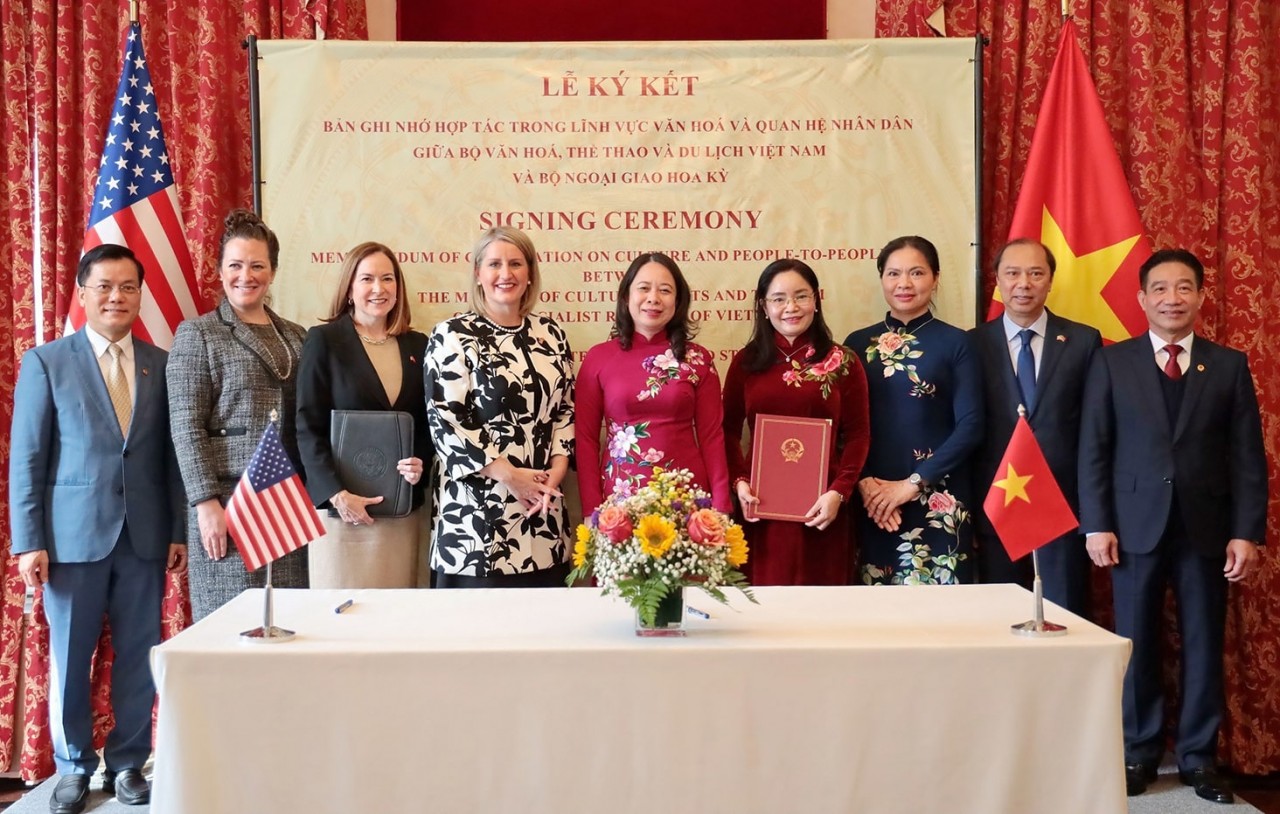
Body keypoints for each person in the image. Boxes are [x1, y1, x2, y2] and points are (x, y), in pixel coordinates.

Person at [1079, 248, 1266, 804]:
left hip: (1207, 529)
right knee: (1136, 641)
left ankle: (1198, 758)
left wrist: (1247, 530)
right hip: (1132, 528)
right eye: (1160, 289)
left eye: (1184, 288)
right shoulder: (1113, 362)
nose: (1172, 299)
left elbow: (1247, 457)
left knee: (1204, 642)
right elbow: (1095, 449)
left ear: (1201, 297)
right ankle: (1138, 752)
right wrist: (1097, 524)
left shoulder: (1228, 364)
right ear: (1141, 299)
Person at [10, 244, 186, 813]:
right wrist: (28, 540)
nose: (117, 297)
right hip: (69, 541)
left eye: (128, 287)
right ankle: (73, 768)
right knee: (70, 655)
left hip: (145, 536)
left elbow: (169, 458)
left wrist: (178, 530)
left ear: (140, 294)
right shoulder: (47, 363)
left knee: (140, 652)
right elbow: (28, 459)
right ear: (83, 294)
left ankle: (130, 764)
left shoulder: (160, 363)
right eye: (105, 286)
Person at [168, 209, 308, 620]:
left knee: (287, 626)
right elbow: (186, 425)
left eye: (257, 265)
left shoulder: (298, 336)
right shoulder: (198, 334)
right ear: (220, 270)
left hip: (286, 502)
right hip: (228, 505)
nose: (246, 275)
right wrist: (205, 503)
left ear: (273, 271)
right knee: (229, 630)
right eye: (235, 265)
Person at [424, 226, 574, 587]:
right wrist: (511, 477)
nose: (505, 274)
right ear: (478, 273)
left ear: (530, 273)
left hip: (542, 512)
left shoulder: (551, 335)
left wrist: (555, 473)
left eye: (515, 264)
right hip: (475, 525)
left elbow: (565, 410)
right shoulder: (452, 334)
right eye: (494, 264)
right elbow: (447, 422)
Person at [971, 238, 1101, 615]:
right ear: (997, 280)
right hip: (998, 504)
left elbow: (1094, 431)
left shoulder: (1083, 341)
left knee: (1063, 616)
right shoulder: (972, 344)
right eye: (1012, 273)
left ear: (1050, 281)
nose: (1023, 283)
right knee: (1001, 618)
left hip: (1061, 507)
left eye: (1035, 273)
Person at [722, 258, 870, 585]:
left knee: (821, 614)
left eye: (801, 296)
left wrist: (839, 492)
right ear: (763, 306)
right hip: (760, 507)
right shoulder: (745, 362)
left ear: (816, 300)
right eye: (778, 299)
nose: (791, 307)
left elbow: (859, 435)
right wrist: (739, 483)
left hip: (824, 509)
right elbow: (728, 432)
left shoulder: (842, 361)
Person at [845, 235, 983, 585]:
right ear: (881, 279)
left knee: (942, 619)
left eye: (917, 273)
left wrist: (911, 485)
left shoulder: (958, 342)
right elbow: (845, 427)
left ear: (936, 278)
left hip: (940, 498)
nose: (904, 284)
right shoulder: (856, 344)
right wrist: (865, 486)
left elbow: (971, 425)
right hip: (875, 503)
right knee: (880, 617)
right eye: (893, 274)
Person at [297, 241, 431, 588]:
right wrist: (337, 495)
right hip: (344, 517)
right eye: (367, 278)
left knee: (397, 626)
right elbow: (307, 427)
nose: (378, 288)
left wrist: (421, 462)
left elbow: (429, 424)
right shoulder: (324, 341)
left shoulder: (419, 345)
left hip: (402, 515)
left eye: (388, 279)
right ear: (350, 289)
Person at [576, 252, 730, 514]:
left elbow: (711, 436)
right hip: (620, 501)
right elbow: (586, 439)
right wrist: (592, 510)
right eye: (644, 288)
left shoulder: (698, 359)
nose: (653, 299)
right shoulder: (598, 358)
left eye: (665, 290)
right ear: (626, 296)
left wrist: (722, 505)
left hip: (688, 497)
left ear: (678, 300)